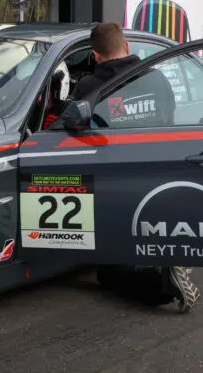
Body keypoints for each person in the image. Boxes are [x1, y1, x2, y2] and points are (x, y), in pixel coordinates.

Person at [71, 21, 199, 313]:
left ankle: (162, 283)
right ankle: (167, 260)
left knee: (108, 274)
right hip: (156, 175)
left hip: (109, 184)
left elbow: (71, 130)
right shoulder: (157, 79)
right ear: (127, 47)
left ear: (95, 55)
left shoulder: (89, 87)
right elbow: (169, 121)